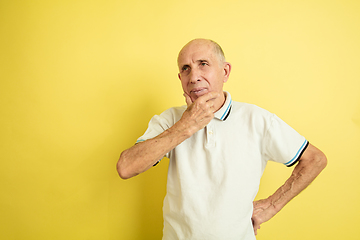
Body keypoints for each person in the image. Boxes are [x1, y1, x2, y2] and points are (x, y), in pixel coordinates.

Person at [117, 38, 327, 240]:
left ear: (225, 71)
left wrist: (272, 206)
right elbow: (126, 167)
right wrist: (186, 125)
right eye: (186, 68)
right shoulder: (170, 119)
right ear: (180, 78)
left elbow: (315, 159)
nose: (194, 77)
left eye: (203, 64)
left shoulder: (258, 120)